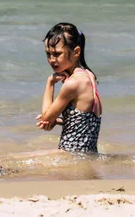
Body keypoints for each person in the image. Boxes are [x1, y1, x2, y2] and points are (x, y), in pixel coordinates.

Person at [36, 22, 103, 153]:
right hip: (87, 154)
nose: (51, 60)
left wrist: (50, 83)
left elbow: (45, 118)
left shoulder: (73, 84)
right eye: (48, 54)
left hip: (70, 155)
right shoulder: (89, 76)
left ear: (76, 52)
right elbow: (85, 122)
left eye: (57, 54)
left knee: (7, 164)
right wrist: (57, 121)